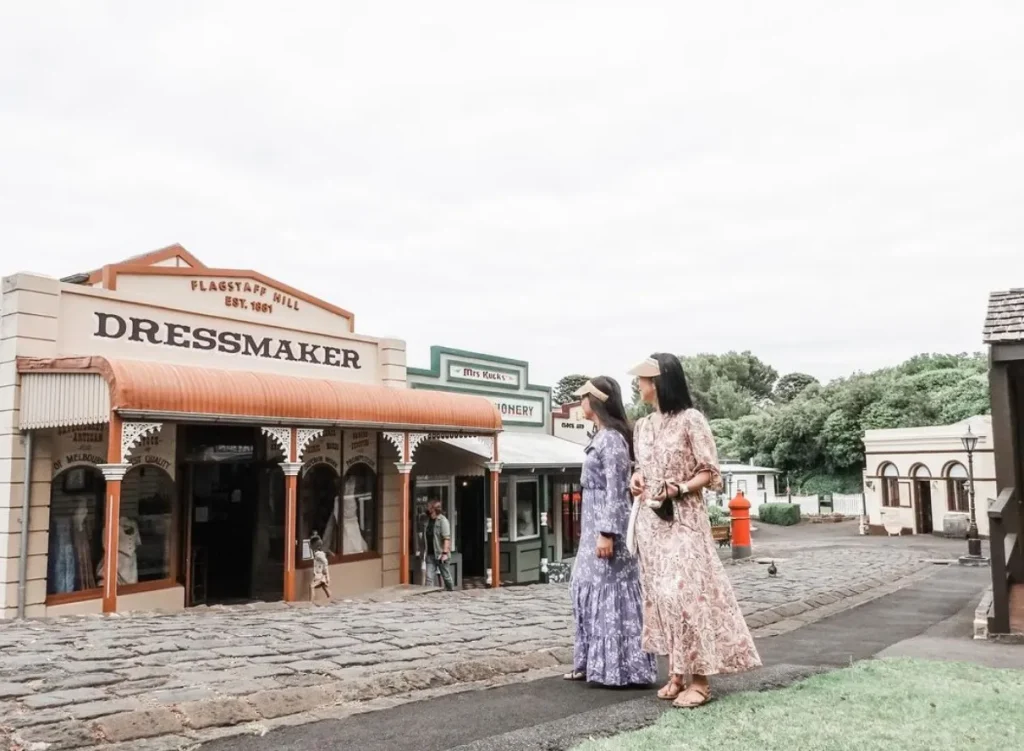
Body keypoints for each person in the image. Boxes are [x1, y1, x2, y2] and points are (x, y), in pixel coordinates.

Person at [628, 354, 761, 708]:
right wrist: (637, 479)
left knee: (686, 594)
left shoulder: (691, 420)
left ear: (659, 382)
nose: (639, 385)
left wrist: (680, 488)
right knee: (661, 597)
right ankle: (676, 672)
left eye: (644, 379)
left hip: (684, 518)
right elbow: (642, 468)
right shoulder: (642, 426)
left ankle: (700, 679)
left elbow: (709, 472)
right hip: (651, 522)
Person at [564, 376, 657, 687]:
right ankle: (592, 662)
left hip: (605, 530)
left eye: (584, 398)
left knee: (609, 592)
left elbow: (617, 490)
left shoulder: (613, 440)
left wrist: (607, 532)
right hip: (591, 526)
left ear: (597, 401)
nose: (580, 403)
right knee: (585, 586)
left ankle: (621, 668)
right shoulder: (601, 437)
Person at [424, 499, 455, 591]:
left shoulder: (443, 521)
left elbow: (446, 538)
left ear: (434, 509)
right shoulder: (427, 521)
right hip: (430, 553)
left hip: (440, 554)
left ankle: (451, 592)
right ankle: (428, 597)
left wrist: (445, 553)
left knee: (446, 576)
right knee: (429, 578)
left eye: (429, 507)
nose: (427, 508)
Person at [309, 532, 331, 603]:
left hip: (319, 575)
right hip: (321, 574)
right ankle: (330, 599)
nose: (310, 546)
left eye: (311, 545)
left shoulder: (318, 554)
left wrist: (327, 575)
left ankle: (311, 601)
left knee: (312, 586)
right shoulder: (319, 553)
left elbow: (325, 562)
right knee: (325, 587)